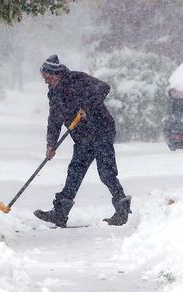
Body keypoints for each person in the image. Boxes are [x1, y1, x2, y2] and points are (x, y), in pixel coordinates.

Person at [34, 54, 131, 227]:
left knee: (106, 171)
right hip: (82, 137)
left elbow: (104, 87)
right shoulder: (54, 93)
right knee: (74, 172)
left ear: (55, 74)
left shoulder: (77, 78)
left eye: (47, 78)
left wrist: (86, 107)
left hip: (101, 130)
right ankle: (60, 213)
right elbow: (54, 120)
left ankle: (122, 209)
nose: (46, 82)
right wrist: (51, 144)